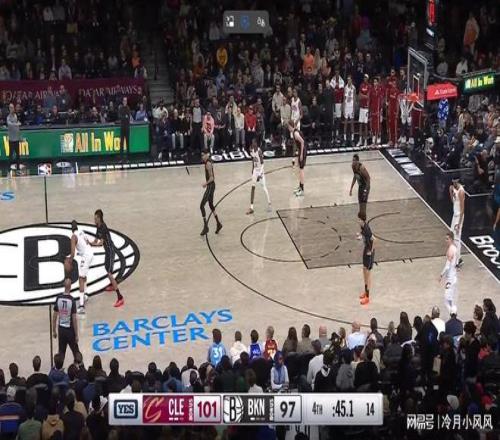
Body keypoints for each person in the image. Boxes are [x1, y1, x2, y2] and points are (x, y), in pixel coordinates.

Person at [90, 209, 124, 307]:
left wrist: (93, 245)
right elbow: (96, 241)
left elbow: (100, 243)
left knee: (109, 272)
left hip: (110, 250)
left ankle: (120, 297)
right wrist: (89, 243)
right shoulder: (98, 227)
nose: (94, 220)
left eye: (95, 218)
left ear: (99, 218)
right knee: (107, 268)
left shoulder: (103, 227)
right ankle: (113, 284)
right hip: (107, 251)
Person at [53, 278, 79, 363]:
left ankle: (58, 367)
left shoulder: (58, 298)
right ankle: (79, 367)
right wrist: (76, 334)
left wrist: (54, 330)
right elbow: (74, 319)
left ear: (64, 285)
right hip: (70, 330)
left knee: (61, 352)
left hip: (61, 329)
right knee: (76, 351)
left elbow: (54, 315)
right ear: (70, 286)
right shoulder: (72, 300)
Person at [69, 220, 93, 314]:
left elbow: (72, 253)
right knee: (84, 275)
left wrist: (69, 261)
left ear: (71, 229)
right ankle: (85, 295)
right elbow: (88, 242)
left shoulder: (73, 237)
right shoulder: (81, 231)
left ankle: (81, 306)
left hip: (86, 256)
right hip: (90, 253)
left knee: (81, 278)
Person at [199, 149, 223, 236]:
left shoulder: (208, 164)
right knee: (210, 204)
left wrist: (205, 183)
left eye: (203, 155)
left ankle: (206, 227)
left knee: (202, 205)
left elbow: (212, 178)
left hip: (210, 186)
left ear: (207, 155)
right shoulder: (207, 162)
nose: (202, 157)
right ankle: (218, 223)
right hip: (211, 186)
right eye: (201, 155)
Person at [246, 138, 271, 214]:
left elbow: (263, 164)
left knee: (264, 188)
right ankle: (251, 207)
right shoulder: (251, 150)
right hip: (255, 170)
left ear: (256, 144)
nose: (253, 144)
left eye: (254, 143)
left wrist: (260, 174)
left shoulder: (259, 151)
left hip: (260, 171)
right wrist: (252, 169)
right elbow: (253, 160)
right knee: (253, 187)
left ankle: (269, 204)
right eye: (252, 143)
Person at [439, 232, 458, 314]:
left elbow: (447, 266)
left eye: (447, 239)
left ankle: (452, 314)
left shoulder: (451, 250)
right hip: (454, 276)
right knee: (451, 299)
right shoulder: (455, 248)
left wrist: (441, 275)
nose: (446, 240)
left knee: (446, 300)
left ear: (451, 239)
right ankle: (453, 313)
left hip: (450, 278)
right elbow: (458, 262)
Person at [358, 212, 375, 305]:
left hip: (369, 251)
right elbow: (363, 234)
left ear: (362, 220)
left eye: (359, 219)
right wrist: (360, 235)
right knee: (364, 269)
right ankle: (365, 291)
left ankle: (367, 297)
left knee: (368, 273)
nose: (358, 221)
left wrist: (371, 251)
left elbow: (374, 240)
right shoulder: (363, 227)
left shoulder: (367, 229)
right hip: (366, 249)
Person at [449, 178, 465, 268]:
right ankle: (458, 257)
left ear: (458, 181)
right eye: (453, 181)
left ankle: (458, 260)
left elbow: (462, 209)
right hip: (454, 215)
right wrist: (450, 192)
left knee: (457, 238)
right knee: (452, 236)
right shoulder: (453, 188)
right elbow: (453, 201)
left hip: (459, 216)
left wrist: (459, 223)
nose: (454, 183)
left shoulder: (461, 191)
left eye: (455, 181)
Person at [349, 154, 371, 219]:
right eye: (353, 160)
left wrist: (366, 190)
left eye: (354, 160)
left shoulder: (362, 168)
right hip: (360, 186)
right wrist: (351, 188)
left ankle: (364, 217)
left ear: (358, 161)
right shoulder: (353, 167)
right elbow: (355, 177)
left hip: (365, 186)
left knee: (363, 203)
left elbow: (368, 178)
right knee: (360, 202)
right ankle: (362, 215)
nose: (353, 161)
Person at [288, 122, 306, 197]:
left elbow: (302, 142)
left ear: (291, 126)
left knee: (301, 170)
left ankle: (302, 190)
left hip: (303, 151)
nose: (288, 128)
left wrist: (301, 154)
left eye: (288, 127)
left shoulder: (295, 133)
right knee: (299, 170)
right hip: (300, 151)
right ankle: (300, 187)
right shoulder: (294, 132)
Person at [7, 102, 21, 175]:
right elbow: (10, 124)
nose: (12, 108)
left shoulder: (15, 116)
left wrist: (19, 136)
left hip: (16, 139)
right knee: (11, 155)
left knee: (18, 155)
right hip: (11, 139)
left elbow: (17, 127)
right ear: (9, 109)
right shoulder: (8, 117)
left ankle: (18, 169)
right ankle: (8, 170)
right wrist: (16, 124)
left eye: (12, 107)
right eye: (10, 107)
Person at [357, 74, 371, 147]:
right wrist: (364, 96)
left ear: (368, 78)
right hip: (361, 107)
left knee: (365, 124)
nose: (365, 78)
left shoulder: (369, 86)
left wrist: (363, 96)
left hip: (366, 107)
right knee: (360, 124)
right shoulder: (361, 85)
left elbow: (368, 97)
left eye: (366, 77)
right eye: (364, 77)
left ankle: (365, 141)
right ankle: (360, 140)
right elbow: (359, 96)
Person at [343, 75, 356, 143]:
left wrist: (354, 109)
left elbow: (354, 99)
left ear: (351, 80)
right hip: (346, 107)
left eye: (349, 79)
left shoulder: (353, 88)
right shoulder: (345, 88)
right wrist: (343, 108)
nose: (348, 81)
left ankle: (352, 138)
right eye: (348, 80)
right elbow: (344, 98)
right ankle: (344, 139)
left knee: (352, 123)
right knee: (345, 123)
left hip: (351, 107)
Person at [118, 96, 131, 161]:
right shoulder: (120, 108)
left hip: (127, 127)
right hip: (122, 127)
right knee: (121, 143)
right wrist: (124, 117)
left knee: (127, 142)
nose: (125, 102)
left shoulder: (128, 108)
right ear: (123, 101)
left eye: (126, 101)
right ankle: (121, 158)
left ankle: (128, 158)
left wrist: (124, 117)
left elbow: (128, 117)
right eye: (124, 101)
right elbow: (119, 116)